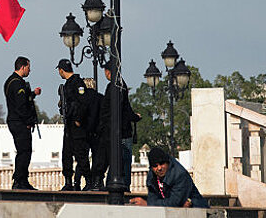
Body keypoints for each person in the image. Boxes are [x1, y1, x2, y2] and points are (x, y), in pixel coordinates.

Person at [89, 60, 141, 191]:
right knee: (120, 161)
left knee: (117, 160)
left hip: (116, 131)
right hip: (121, 130)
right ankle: (121, 184)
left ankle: (114, 185)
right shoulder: (122, 86)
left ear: (108, 72)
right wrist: (135, 117)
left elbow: (111, 110)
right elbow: (126, 109)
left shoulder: (113, 86)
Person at [4, 56, 41, 190]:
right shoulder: (17, 83)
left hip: (14, 121)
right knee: (24, 151)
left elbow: (21, 98)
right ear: (23, 67)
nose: (29, 71)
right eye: (28, 68)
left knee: (23, 151)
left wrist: (33, 94)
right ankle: (20, 181)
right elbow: (21, 105)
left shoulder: (11, 81)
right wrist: (28, 121)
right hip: (19, 122)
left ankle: (21, 180)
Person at [129, 147, 209, 208]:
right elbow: (153, 198)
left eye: (162, 164)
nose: (159, 168)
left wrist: (148, 204)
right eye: (155, 166)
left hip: (197, 208)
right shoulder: (152, 175)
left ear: (167, 162)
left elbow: (174, 203)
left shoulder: (179, 174)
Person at [56, 58, 91, 191]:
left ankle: (89, 181)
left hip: (77, 125)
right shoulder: (66, 85)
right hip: (69, 124)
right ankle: (68, 182)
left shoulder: (77, 83)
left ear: (61, 70)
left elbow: (83, 102)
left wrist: (78, 118)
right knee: (67, 154)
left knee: (81, 154)